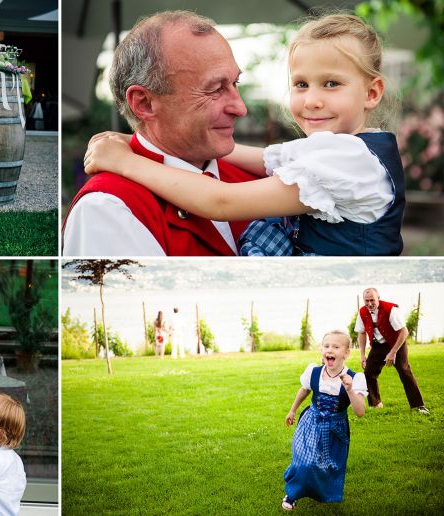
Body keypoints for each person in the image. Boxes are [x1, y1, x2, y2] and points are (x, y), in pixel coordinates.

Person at [83, 14, 403, 257]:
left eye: (331, 84)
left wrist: (126, 162)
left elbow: (220, 201)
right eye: (301, 84)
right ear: (144, 104)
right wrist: (137, 143)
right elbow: (260, 157)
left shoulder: (349, 160)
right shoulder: (106, 208)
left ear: (372, 93)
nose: (312, 100)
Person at [63, 11, 259, 256]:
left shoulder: (256, 174)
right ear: (144, 103)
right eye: (216, 89)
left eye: (235, 83)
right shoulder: (108, 210)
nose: (240, 108)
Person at [282, 330, 367, 511]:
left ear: (346, 353)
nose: (330, 350)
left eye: (336, 347)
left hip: (335, 428)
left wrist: (350, 389)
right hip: (311, 422)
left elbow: (360, 412)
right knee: (304, 460)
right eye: (326, 346)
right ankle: (293, 494)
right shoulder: (314, 371)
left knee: (325, 465)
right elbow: (304, 390)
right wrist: (292, 410)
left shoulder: (355, 378)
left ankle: (320, 491)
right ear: (322, 350)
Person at [355, 288, 428, 413]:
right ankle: (375, 404)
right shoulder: (362, 312)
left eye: (372, 300)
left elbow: (404, 331)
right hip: (378, 345)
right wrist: (362, 355)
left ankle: (418, 406)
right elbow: (361, 333)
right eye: (366, 301)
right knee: (368, 372)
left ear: (378, 298)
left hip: (397, 343)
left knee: (405, 371)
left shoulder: (390, 309)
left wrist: (393, 352)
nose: (369, 304)